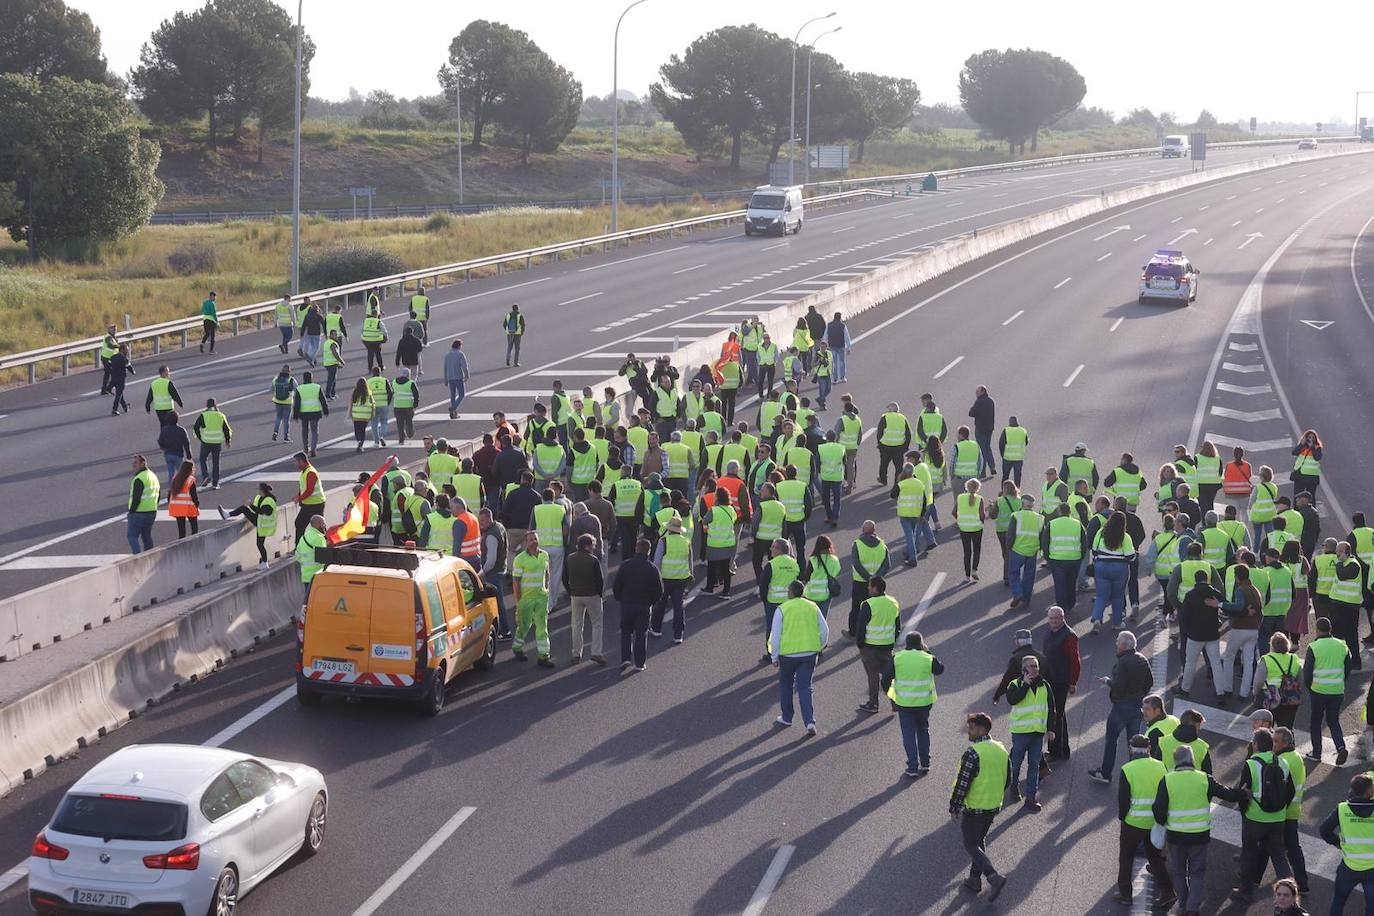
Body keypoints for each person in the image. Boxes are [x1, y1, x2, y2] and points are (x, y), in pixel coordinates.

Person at [1152, 745, 1247, 916]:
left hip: (1176, 836)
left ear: (1176, 761)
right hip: (1199, 836)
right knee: (1197, 872)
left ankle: (1183, 905)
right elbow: (1227, 794)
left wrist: (1164, 822)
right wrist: (1243, 793)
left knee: (1179, 872)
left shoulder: (1167, 780)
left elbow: (1158, 809)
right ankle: (1193, 908)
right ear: (1192, 760)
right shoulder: (1204, 778)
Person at [948, 712, 1010, 901]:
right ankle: (974, 879)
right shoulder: (1001, 749)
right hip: (993, 805)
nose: (969, 731)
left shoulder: (973, 753)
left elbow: (962, 783)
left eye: (972, 728)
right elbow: (1009, 779)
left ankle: (993, 876)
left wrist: (954, 807)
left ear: (983, 729)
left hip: (975, 807)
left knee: (970, 843)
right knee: (979, 840)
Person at [1230, 728, 1296, 903]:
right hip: (1278, 819)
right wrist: (1281, 810)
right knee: (1279, 856)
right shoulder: (1282, 763)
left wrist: (1245, 812)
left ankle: (1246, 891)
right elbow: (1290, 791)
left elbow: (1242, 792)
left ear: (1256, 744)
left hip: (1255, 818)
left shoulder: (1251, 764)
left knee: (1249, 853)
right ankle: (1290, 892)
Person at [1115, 734, 1176, 909]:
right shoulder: (1161, 766)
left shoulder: (1127, 769)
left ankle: (1126, 895)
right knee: (1155, 858)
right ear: (1149, 749)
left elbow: (1123, 800)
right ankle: (1167, 891)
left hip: (1133, 823)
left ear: (1131, 749)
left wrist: (1122, 817)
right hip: (1154, 822)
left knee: (1126, 858)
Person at [1089, 630, 1153, 783]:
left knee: (1111, 740)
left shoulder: (1123, 662)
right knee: (1134, 744)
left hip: (1121, 708)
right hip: (1137, 707)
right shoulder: (1143, 659)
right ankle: (1134, 776)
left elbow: (1119, 686)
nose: (1116, 644)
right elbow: (1149, 682)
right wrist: (1140, 695)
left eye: (1118, 642)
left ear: (1124, 645)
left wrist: (1107, 681)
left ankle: (1105, 773)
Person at [769, 580, 828, 736]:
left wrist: (774, 656)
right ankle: (809, 721)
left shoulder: (782, 609)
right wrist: (819, 646)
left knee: (786, 685)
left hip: (787, 655)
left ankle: (787, 717)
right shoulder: (812, 606)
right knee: (805, 687)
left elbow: (775, 636)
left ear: (791, 592)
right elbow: (824, 630)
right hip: (809, 654)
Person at [1005, 655, 1055, 812]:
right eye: (1031, 666)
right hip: (1020, 734)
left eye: (1036, 666)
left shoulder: (1045, 685)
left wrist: (1051, 729)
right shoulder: (1015, 684)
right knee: (1016, 764)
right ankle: (1013, 787)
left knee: (1034, 767)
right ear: (1023, 669)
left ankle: (1031, 799)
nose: (1034, 669)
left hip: (1037, 734)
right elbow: (1012, 700)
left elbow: (1051, 708)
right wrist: (1025, 685)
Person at [1320, 773, 1374, 914]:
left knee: (1338, 902)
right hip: (1372, 869)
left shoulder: (1342, 809)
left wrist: (1338, 843)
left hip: (1349, 867)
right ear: (1368, 791)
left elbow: (1324, 830)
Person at [1305, 616, 1352, 765]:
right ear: (1330, 629)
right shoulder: (1342, 646)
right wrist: (1340, 682)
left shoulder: (1313, 647)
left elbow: (1307, 672)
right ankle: (1340, 747)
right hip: (1337, 690)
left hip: (1318, 690)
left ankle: (1317, 753)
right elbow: (1348, 668)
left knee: (1315, 722)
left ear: (1317, 630)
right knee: (1333, 721)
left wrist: (1310, 688)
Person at [614, 538, 663, 673]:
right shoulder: (652, 568)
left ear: (636, 548)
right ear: (649, 551)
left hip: (627, 604)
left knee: (626, 631)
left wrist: (620, 598)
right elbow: (659, 591)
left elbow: (617, 585)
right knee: (641, 634)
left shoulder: (625, 565)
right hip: (644, 606)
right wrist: (651, 602)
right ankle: (640, 663)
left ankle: (625, 659)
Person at [854, 574, 901, 712]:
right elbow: (897, 625)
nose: (868, 587)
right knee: (889, 676)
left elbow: (861, 627)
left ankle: (873, 704)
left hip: (870, 647)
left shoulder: (868, 604)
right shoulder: (893, 602)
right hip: (887, 646)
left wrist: (860, 644)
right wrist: (892, 639)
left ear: (875, 589)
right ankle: (895, 702)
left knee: (873, 675)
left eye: (870, 585)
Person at [1041, 607, 1080, 761]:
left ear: (1063, 618)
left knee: (1055, 715)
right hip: (1050, 679)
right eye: (1051, 618)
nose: (1053, 621)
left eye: (1056, 618)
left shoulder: (1069, 636)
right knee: (1059, 714)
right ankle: (1063, 750)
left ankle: (1056, 751)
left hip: (1060, 681)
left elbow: (1075, 661)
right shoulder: (1049, 631)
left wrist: (1072, 682)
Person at [511, 531, 554, 667]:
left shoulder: (544, 555)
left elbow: (547, 573)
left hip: (541, 598)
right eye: (530, 540)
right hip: (526, 599)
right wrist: (518, 601)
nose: (533, 541)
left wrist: (546, 589)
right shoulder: (519, 559)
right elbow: (516, 582)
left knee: (542, 627)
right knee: (524, 626)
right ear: (526, 543)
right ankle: (517, 648)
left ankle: (543, 656)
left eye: (535, 539)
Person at [563, 533, 606, 666]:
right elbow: (600, 580)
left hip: (576, 595)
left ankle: (576, 654)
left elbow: (564, 577)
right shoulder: (593, 560)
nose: (594, 547)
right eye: (592, 545)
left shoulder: (570, 558)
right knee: (597, 624)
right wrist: (599, 594)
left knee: (576, 625)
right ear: (587, 546)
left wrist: (571, 591)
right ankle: (596, 652)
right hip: (592, 595)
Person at [651, 516, 694, 644]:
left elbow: (657, 561)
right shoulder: (686, 541)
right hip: (680, 578)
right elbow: (689, 560)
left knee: (660, 604)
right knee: (678, 606)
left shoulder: (663, 541)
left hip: (664, 578)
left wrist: (655, 577)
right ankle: (678, 634)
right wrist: (691, 575)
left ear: (669, 529)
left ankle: (656, 628)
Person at [1091, 510, 1136, 631]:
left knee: (1101, 595)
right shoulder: (1125, 537)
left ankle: (1096, 618)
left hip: (1101, 567)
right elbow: (1130, 556)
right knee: (1118, 597)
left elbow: (1094, 549)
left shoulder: (1101, 532)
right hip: (1119, 569)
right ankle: (1116, 623)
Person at [218, 483, 278, 569]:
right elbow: (257, 510)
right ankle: (227, 515)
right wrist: (249, 512)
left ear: (262, 490)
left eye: (258, 489)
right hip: (260, 521)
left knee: (260, 544)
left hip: (264, 525)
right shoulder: (260, 497)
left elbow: (263, 511)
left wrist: (250, 505)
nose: (257, 490)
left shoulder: (269, 500)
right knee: (244, 509)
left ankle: (265, 563)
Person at [1043, 504, 1087, 613]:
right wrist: (1080, 557)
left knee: (1060, 585)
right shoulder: (1078, 524)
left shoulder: (1052, 524)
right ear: (1069, 512)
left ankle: (1061, 608)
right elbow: (1084, 542)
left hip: (1056, 559)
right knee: (1071, 583)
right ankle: (1071, 604)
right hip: (1074, 559)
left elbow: (1045, 543)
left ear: (1059, 512)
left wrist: (1048, 558)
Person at [1005, 493, 1042, 610]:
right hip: (1032, 551)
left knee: (1013, 573)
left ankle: (1017, 594)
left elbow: (1010, 534)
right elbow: (1043, 535)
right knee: (1029, 576)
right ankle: (1026, 600)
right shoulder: (1039, 518)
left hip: (1017, 549)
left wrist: (1008, 547)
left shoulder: (1016, 516)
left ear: (1022, 503)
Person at [191, 398, 232, 490]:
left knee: (202, 459)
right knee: (216, 463)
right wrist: (227, 441)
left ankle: (205, 476)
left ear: (207, 405)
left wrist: (200, 437)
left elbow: (196, 428)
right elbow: (226, 429)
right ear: (215, 405)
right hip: (217, 442)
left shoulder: (203, 415)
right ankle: (215, 483)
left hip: (206, 441)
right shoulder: (220, 415)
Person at [125, 455, 160, 554]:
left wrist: (131, 511)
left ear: (143, 463)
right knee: (146, 536)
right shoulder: (153, 476)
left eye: (136, 462)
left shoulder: (139, 478)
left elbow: (136, 498)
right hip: (152, 512)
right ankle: (150, 556)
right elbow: (158, 494)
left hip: (139, 512)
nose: (133, 465)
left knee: (132, 536)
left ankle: (138, 558)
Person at [956, 477, 987, 583]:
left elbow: (954, 511)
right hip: (976, 528)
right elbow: (982, 515)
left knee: (967, 552)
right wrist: (983, 521)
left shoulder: (960, 497)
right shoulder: (979, 499)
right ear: (978, 488)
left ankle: (967, 575)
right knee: (977, 550)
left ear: (966, 487)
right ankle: (974, 570)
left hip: (964, 528)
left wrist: (960, 519)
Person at [291, 451, 327, 542]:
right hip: (309, 504)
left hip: (316, 504)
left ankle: (324, 544)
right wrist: (298, 495)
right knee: (299, 523)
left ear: (302, 461)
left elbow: (309, 491)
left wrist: (299, 498)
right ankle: (299, 545)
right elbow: (303, 487)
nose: (296, 464)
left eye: (297, 462)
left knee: (319, 526)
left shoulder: (310, 472)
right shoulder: (304, 472)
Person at [292, 371, 327, 457]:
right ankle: (313, 449)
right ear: (311, 378)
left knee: (305, 431)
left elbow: (297, 403)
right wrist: (325, 410)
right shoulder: (317, 387)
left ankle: (305, 448)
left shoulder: (299, 388)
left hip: (303, 413)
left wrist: (295, 415)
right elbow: (323, 400)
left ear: (304, 378)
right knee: (314, 431)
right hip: (315, 412)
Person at [156, 409, 192, 490]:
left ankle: (171, 489)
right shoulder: (181, 430)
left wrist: (164, 448)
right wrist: (189, 454)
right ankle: (181, 488)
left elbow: (160, 441)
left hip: (168, 454)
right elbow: (186, 443)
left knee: (170, 473)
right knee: (180, 473)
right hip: (178, 454)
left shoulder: (164, 430)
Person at [966, 386, 996, 479]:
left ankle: (982, 470)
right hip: (989, 428)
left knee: (981, 449)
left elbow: (971, 413)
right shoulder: (991, 401)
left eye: (978, 391)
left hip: (980, 429)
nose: (976, 393)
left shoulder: (979, 402)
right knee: (987, 447)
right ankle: (992, 466)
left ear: (983, 391)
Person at [295, 515, 327, 600]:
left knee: (309, 600)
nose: (324, 526)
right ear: (318, 524)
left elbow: (297, 556)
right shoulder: (319, 538)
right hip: (318, 575)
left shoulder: (303, 537)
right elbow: (324, 558)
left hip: (306, 576)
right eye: (323, 524)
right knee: (318, 601)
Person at [167, 459, 200, 539]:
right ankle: (194, 544)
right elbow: (194, 496)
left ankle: (181, 547)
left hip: (176, 507)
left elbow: (170, 493)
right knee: (194, 529)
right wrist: (197, 504)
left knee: (181, 531)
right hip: (188, 506)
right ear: (190, 469)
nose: (194, 470)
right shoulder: (190, 479)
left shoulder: (176, 478)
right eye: (193, 468)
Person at [1290, 429, 1322, 502]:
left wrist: (1312, 447)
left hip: (1311, 476)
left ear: (1315, 439)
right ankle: (1297, 512)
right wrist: (1301, 444)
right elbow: (1294, 453)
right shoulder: (1302, 447)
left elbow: (1317, 457)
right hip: (1300, 475)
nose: (1310, 439)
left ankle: (1310, 512)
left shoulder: (1317, 447)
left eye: (1312, 437)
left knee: (1311, 497)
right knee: (1297, 496)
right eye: (1309, 437)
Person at [444, 339, 471, 419]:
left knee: (452, 395)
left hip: (450, 378)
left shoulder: (448, 354)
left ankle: (453, 413)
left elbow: (445, 367)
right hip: (458, 377)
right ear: (459, 346)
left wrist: (445, 379)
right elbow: (464, 366)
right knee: (461, 395)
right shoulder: (460, 354)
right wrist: (467, 375)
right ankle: (453, 408)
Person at [392, 368, 419, 445]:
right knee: (409, 421)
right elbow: (416, 394)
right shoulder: (411, 383)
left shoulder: (394, 382)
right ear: (408, 375)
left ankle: (401, 439)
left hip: (397, 406)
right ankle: (410, 433)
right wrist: (415, 403)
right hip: (408, 406)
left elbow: (391, 391)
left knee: (399, 423)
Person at [106, 343, 134, 415]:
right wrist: (133, 372)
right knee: (118, 395)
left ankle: (125, 407)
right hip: (121, 379)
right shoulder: (124, 358)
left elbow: (108, 366)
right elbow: (129, 367)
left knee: (120, 393)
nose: (127, 351)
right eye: (126, 350)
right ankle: (114, 410)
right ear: (122, 350)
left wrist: (111, 372)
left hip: (114, 378)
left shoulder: (112, 357)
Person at [360, 306, 388, 372]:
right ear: (376, 314)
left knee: (370, 353)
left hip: (366, 340)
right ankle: (381, 366)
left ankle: (370, 368)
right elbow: (384, 331)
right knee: (378, 353)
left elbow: (361, 330)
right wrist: (386, 338)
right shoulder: (378, 321)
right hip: (376, 340)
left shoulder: (365, 320)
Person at [299, 300, 325, 366]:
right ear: (317, 309)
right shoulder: (319, 316)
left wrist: (302, 334)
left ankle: (313, 359)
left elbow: (304, 325)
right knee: (316, 347)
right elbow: (324, 324)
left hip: (309, 333)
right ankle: (310, 357)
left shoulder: (307, 315)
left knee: (312, 346)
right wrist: (326, 333)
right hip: (316, 334)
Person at [98, 324, 120, 394]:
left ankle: (104, 389)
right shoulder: (108, 337)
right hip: (107, 358)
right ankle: (108, 388)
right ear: (109, 330)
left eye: (115, 329)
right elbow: (110, 345)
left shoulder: (113, 337)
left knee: (108, 374)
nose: (114, 331)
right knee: (115, 374)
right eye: (113, 329)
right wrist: (118, 346)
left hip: (109, 358)